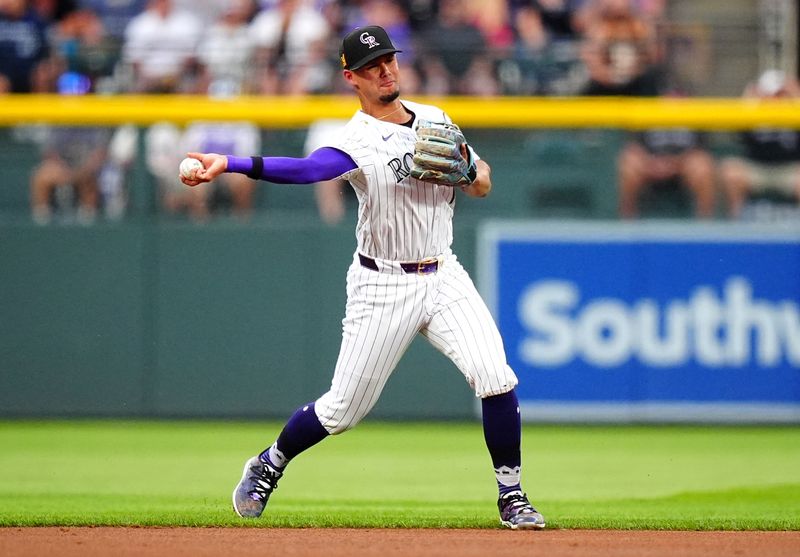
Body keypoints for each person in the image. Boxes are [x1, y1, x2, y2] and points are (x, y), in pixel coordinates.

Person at [180, 25, 545, 530]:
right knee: (342, 411)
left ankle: (512, 495)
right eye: (372, 66)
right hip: (382, 284)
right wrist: (233, 163)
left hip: (443, 272)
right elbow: (309, 170)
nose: (386, 70)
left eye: (390, 61)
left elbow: (482, 184)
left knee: (496, 376)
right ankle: (270, 462)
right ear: (351, 77)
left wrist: (464, 171)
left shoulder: (436, 118)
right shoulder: (357, 140)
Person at [720, 70, 800, 218]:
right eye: (770, 94)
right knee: (731, 171)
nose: (774, 99)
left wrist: (796, 97)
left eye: (779, 94)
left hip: (789, 169)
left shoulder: (795, 110)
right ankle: (735, 226)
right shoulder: (753, 111)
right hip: (757, 168)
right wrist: (748, 102)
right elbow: (736, 133)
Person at [618, 127, 716, 219]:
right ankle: (627, 226)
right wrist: (653, 162)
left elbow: (700, 148)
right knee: (630, 163)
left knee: (701, 166)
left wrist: (674, 163)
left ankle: (705, 226)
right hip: (650, 163)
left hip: (684, 164)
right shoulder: (646, 110)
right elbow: (634, 145)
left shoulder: (694, 111)